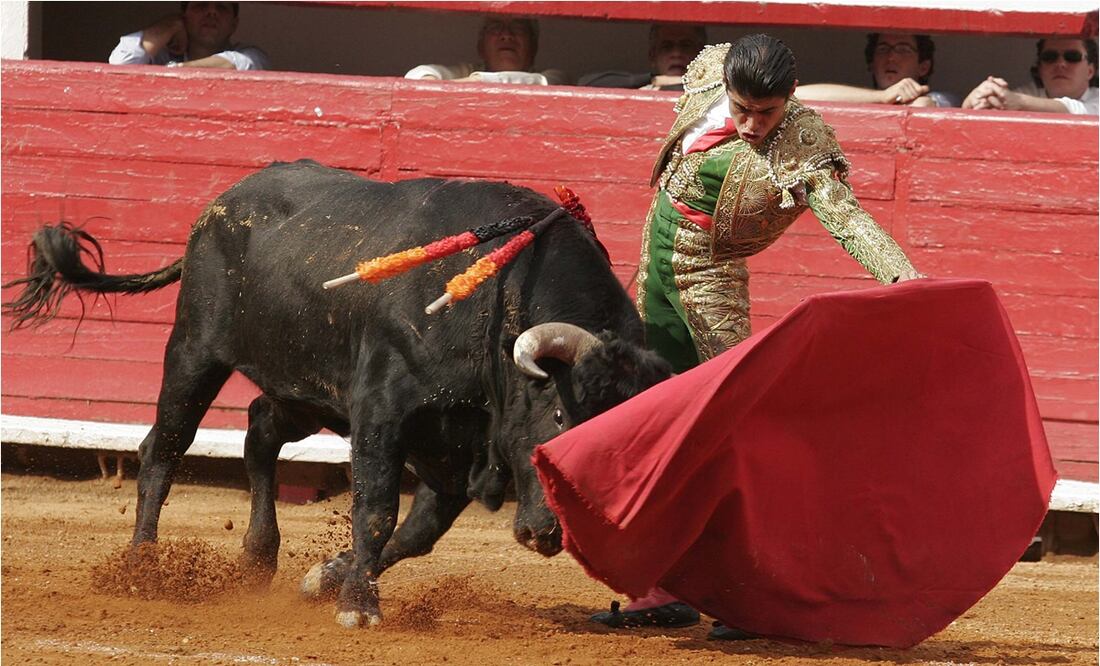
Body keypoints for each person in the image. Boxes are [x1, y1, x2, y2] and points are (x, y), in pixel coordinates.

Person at [590, 33, 921, 636]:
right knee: (662, 424)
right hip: (656, 266)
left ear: (790, 96)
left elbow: (849, 220)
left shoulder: (803, 144)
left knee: (731, 435)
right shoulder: (712, 69)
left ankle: (753, 591)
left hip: (710, 281)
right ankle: (667, 585)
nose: (749, 124)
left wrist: (905, 281)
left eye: (766, 113)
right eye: (741, 108)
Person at [797, 33, 958, 107]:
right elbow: (797, 95)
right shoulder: (864, 98)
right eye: (883, 49)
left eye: (903, 49)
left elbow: (923, 105)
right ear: (872, 64)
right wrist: (882, 97)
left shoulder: (943, 98)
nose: (891, 57)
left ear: (923, 67)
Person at [404, 16, 567, 85]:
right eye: (496, 28)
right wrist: (431, 83)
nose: (506, 35)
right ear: (481, 47)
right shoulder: (468, 71)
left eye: (518, 28)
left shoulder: (555, 76)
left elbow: (542, 82)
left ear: (534, 47)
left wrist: (475, 82)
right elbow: (417, 75)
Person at [108, 2, 269, 71]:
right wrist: (172, 24)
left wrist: (176, 71)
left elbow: (240, 64)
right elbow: (119, 64)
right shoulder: (161, 57)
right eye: (201, 5)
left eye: (222, 7)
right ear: (185, 16)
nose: (211, 12)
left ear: (234, 24)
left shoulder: (250, 54)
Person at [962, 36, 1098, 115]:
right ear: (1040, 69)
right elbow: (1006, 100)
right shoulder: (1028, 93)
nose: (1060, 64)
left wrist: (1019, 102)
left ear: (1090, 71)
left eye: (1072, 56)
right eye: (1050, 57)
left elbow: (1077, 111)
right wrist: (978, 97)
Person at [579, 24, 707, 91]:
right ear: (653, 57)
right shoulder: (644, 89)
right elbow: (587, 84)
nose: (676, 53)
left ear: (701, 54)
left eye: (686, 46)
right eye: (666, 47)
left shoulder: (712, 89)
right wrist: (655, 80)